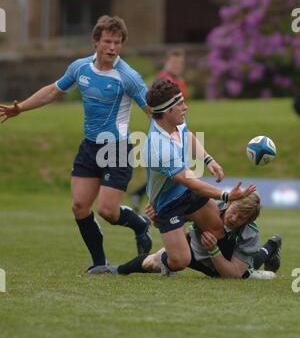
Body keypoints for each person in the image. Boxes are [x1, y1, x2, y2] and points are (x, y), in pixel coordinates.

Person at [0, 15, 152, 274]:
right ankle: (100, 263)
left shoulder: (129, 77)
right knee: (79, 206)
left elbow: (152, 111)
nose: (112, 47)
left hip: (116, 149)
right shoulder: (80, 68)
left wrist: (169, 139)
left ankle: (139, 224)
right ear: (95, 41)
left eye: (117, 42)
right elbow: (53, 91)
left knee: (107, 211)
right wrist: (20, 108)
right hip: (90, 147)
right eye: (107, 41)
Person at [136, 79, 256, 274]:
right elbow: (190, 182)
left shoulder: (175, 121)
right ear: (167, 111)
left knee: (217, 230)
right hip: (168, 202)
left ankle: (231, 267)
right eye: (180, 104)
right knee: (180, 261)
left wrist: (209, 160)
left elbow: (188, 136)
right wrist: (226, 196)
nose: (186, 107)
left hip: (187, 191)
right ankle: (154, 260)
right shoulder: (158, 146)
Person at [100, 193, 282, 280]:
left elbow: (232, 274)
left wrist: (214, 250)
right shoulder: (209, 207)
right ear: (231, 202)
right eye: (234, 211)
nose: (234, 218)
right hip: (192, 248)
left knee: (246, 269)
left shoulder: (250, 234)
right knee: (151, 263)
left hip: (222, 263)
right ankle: (117, 270)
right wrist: (157, 218)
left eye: (241, 218)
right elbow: (171, 222)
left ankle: (271, 245)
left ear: (248, 220)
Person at [130, 49, 187, 212]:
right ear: (167, 63)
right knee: (169, 170)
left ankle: (142, 196)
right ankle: (152, 202)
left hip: (178, 130)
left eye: (180, 63)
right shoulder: (162, 81)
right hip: (165, 134)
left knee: (172, 171)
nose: (177, 66)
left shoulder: (180, 82)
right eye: (174, 63)